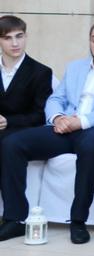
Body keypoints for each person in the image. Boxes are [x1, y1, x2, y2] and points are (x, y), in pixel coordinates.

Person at [0, 22, 94, 244]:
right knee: (12, 144)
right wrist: (58, 118)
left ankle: (78, 220)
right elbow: (56, 99)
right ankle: (14, 218)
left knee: (90, 145)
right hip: (65, 128)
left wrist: (81, 121)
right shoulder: (75, 67)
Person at [0, 16, 54, 210]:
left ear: (26, 36)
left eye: (19, 36)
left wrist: (8, 121)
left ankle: (14, 214)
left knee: (6, 144)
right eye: (7, 38)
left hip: (24, 131)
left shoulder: (41, 72)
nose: (15, 43)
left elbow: (40, 115)